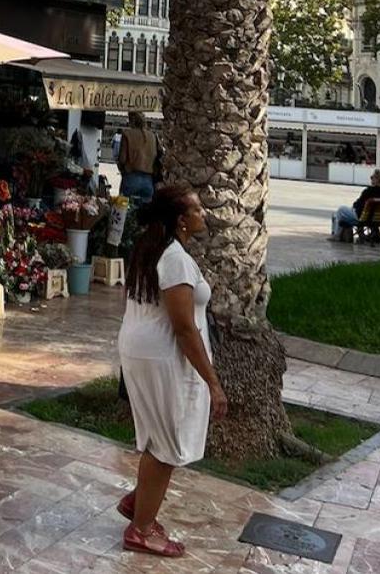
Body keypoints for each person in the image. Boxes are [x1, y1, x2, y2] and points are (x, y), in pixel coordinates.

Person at [116, 185, 226, 558]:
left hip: (142, 349)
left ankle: (140, 503)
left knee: (158, 437)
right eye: (197, 210)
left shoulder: (151, 248)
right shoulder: (175, 258)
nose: (203, 215)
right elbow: (183, 327)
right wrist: (213, 383)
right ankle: (141, 529)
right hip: (161, 356)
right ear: (181, 220)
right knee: (165, 443)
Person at [330, 168, 380, 243]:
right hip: (378, 219)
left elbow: (357, 204)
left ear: (377, 179)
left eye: (372, 177)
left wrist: (354, 207)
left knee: (341, 210)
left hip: (363, 218)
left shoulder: (369, 191)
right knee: (341, 214)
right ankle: (359, 234)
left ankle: (337, 235)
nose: (371, 179)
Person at [119, 112, 160, 205]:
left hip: (131, 177)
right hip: (148, 180)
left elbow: (122, 158)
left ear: (131, 121)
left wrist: (122, 168)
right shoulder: (153, 136)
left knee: (124, 210)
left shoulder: (127, 134)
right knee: (145, 214)